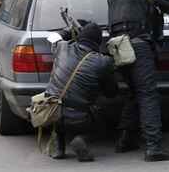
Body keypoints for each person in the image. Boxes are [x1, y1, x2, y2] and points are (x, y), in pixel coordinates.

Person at [107, 0, 169, 162]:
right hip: (139, 46)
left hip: (118, 46)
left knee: (134, 92)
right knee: (148, 94)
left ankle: (124, 140)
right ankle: (153, 146)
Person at [45, 22, 118, 162]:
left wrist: (69, 29)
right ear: (98, 42)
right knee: (101, 120)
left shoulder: (62, 47)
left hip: (48, 114)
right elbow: (112, 93)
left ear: (80, 37)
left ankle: (57, 143)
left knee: (58, 108)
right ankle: (82, 139)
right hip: (78, 118)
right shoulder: (102, 61)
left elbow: (52, 37)